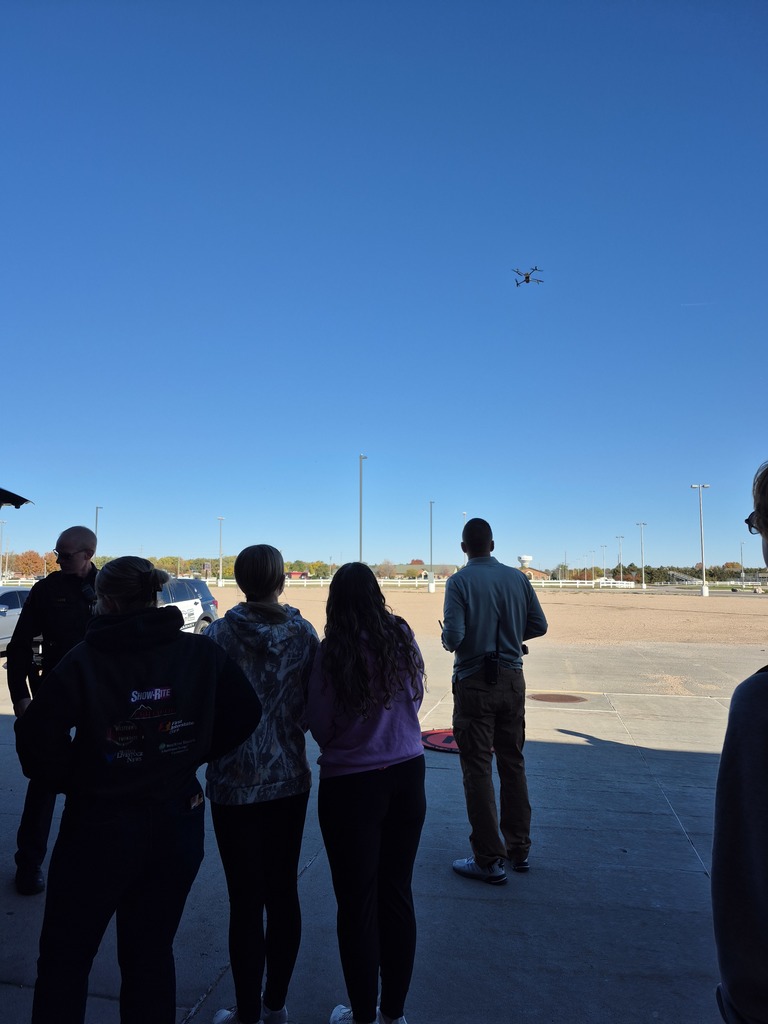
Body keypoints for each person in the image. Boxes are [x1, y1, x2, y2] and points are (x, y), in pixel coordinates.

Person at [14, 556, 262, 1024]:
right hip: (176, 826)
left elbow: (35, 740)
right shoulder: (200, 653)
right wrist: (189, 755)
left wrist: (80, 778)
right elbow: (246, 713)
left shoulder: (86, 659)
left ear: (106, 600)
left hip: (98, 828)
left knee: (66, 960)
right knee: (150, 957)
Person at [307, 563, 426, 1024]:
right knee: (397, 894)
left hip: (351, 786)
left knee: (357, 904)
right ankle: (393, 1013)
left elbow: (319, 722)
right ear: (377, 595)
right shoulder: (399, 635)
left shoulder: (331, 651)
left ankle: (361, 1015)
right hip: (407, 774)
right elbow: (415, 695)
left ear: (334, 600)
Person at [205, 545, 319, 1024]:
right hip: (288, 779)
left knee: (244, 899)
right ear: (280, 581)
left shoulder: (218, 635)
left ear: (239, 580)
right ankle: (277, 1005)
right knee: (282, 893)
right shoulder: (304, 634)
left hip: (233, 783)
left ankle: (248, 1011)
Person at [441, 517, 548, 885]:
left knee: (477, 769)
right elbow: (540, 625)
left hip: (474, 681)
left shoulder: (459, 582)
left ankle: (488, 858)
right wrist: (512, 635)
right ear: (493, 544)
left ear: (463, 547)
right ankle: (520, 849)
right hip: (512, 679)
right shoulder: (518, 578)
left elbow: (454, 636)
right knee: (513, 763)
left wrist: (449, 640)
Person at [6, 525, 99, 895]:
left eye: (66, 554)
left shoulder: (110, 587)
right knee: (43, 782)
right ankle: (29, 864)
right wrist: (20, 698)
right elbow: (19, 647)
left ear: (88, 555)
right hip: (53, 695)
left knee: (96, 782)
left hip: (98, 699)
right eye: (57, 553)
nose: (58, 559)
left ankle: (89, 862)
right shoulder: (46, 590)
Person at [712, 462, 768, 1024]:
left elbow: (742, 892)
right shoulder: (516, 580)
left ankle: (493, 852)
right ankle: (516, 843)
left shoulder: (757, 707)